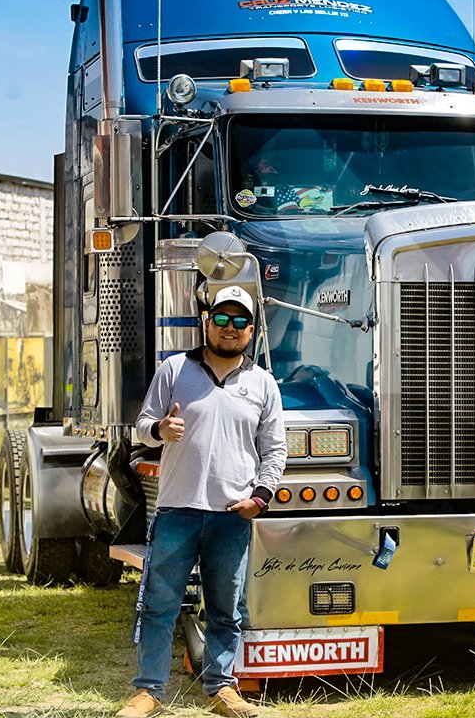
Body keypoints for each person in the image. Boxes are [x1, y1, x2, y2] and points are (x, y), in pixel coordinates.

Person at [118, 286, 286, 718]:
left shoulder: (263, 383)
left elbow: (275, 450)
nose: (230, 329)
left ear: (251, 331)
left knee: (226, 608)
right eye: (222, 319)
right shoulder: (174, 369)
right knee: (159, 603)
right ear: (207, 321)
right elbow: (140, 426)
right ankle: (148, 692)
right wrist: (160, 431)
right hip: (177, 510)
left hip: (233, 515)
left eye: (240, 322)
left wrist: (261, 497)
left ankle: (222, 690)